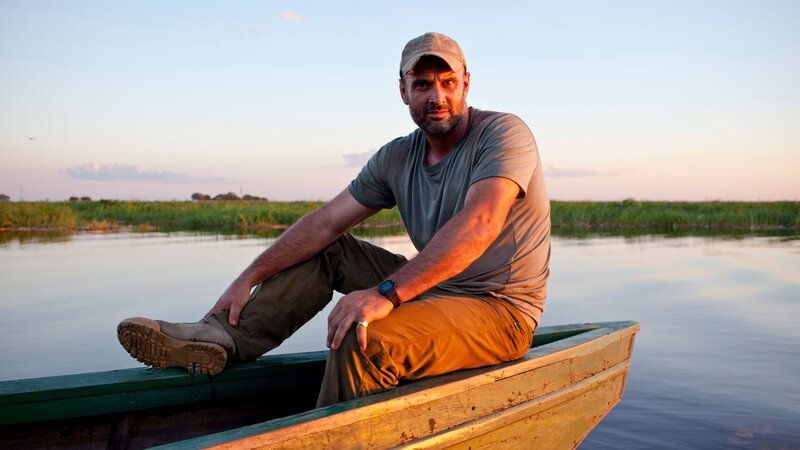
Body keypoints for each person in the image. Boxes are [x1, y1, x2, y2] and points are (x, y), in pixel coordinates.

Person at [117, 32, 550, 407]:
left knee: (362, 338)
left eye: (448, 83)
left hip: (500, 311)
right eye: (422, 85)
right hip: (438, 291)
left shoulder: (503, 133)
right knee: (329, 249)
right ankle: (222, 338)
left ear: (466, 84)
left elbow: (480, 224)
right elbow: (324, 223)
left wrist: (386, 294)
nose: (437, 97)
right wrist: (248, 277)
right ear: (403, 91)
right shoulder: (397, 156)